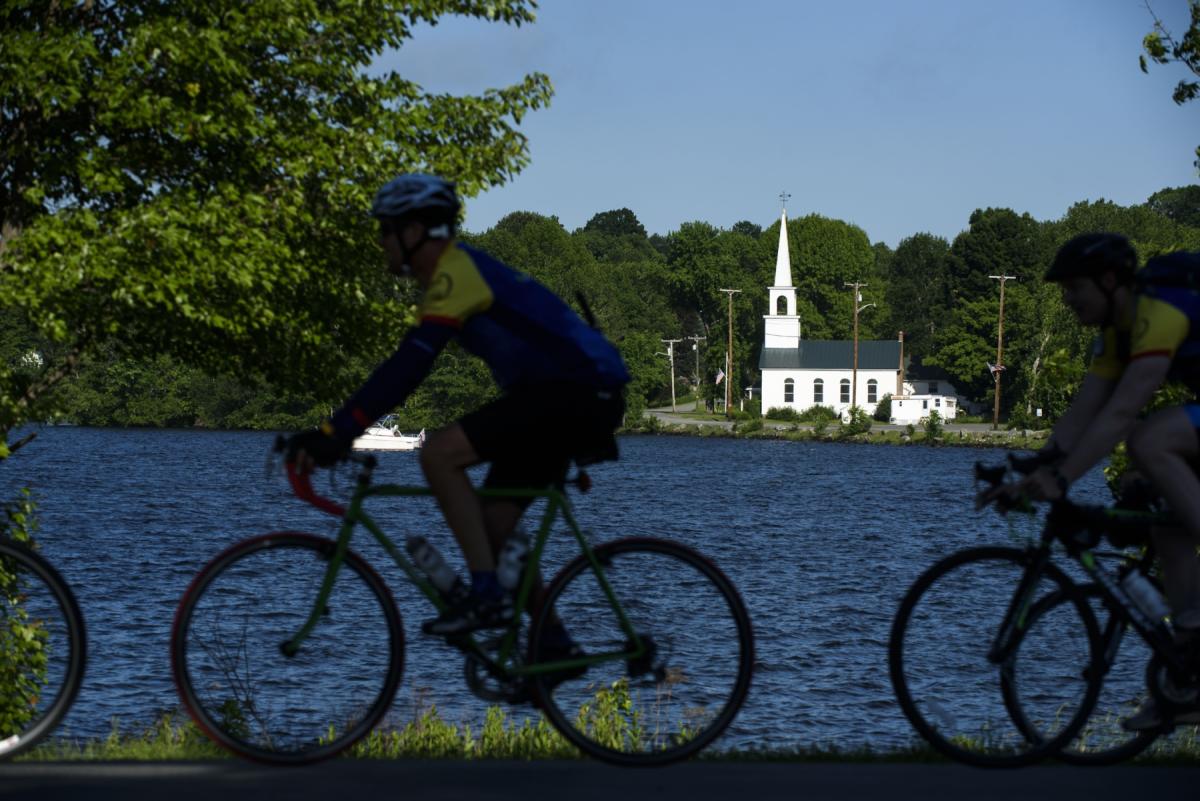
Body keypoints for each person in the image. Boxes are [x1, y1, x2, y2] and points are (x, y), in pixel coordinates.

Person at [287, 174, 629, 642]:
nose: (381, 241)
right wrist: (341, 430)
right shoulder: (452, 277)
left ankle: (487, 596)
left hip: (575, 393)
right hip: (568, 395)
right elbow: (406, 365)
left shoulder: (456, 273)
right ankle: (550, 640)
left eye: (386, 230)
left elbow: (409, 367)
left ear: (414, 232)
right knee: (493, 523)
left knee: (438, 454)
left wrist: (337, 433)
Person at [999, 232, 1200, 729]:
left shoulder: (1157, 314)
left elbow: (1122, 413)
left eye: (1074, 288)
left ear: (1110, 282)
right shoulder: (1115, 333)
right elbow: (1083, 413)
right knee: (1163, 519)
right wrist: (1034, 472)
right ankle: (1189, 674)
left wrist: (1063, 479)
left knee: (1149, 441)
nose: (1067, 299)